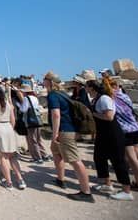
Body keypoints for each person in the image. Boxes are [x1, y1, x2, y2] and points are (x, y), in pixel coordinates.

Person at [44, 71, 94, 202]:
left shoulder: (53, 95)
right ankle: (60, 179)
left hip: (63, 131)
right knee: (56, 154)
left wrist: (55, 134)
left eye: (44, 79)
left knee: (74, 160)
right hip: (65, 130)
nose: (42, 81)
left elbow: (56, 114)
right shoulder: (63, 94)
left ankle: (86, 192)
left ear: (49, 81)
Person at [86, 79, 133, 200]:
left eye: (86, 86)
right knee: (99, 157)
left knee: (117, 161)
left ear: (91, 87)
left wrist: (92, 114)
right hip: (103, 134)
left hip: (112, 133)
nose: (85, 88)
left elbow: (109, 116)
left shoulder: (104, 98)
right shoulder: (96, 99)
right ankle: (107, 184)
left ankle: (127, 191)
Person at [110, 80, 138, 191]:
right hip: (135, 127)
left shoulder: (112, 99)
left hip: (125, 130)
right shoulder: (124, 96)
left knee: (132, 158)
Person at [0, 87, 26, 190]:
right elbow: (13, 120)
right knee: (12, 156)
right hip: (8, 128)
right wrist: (10, 129)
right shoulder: (9, 105)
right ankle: (20, 180)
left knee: (3, 157)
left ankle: (9, 182)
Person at [19, 84, 50, 163]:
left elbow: (23, 109)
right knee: (39, 139)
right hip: (37, 120)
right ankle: (44, 155)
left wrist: (19, 107)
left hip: (31, 121)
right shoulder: (35, 98)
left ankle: (37, 157)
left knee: (32, 140)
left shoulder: (26, 98)